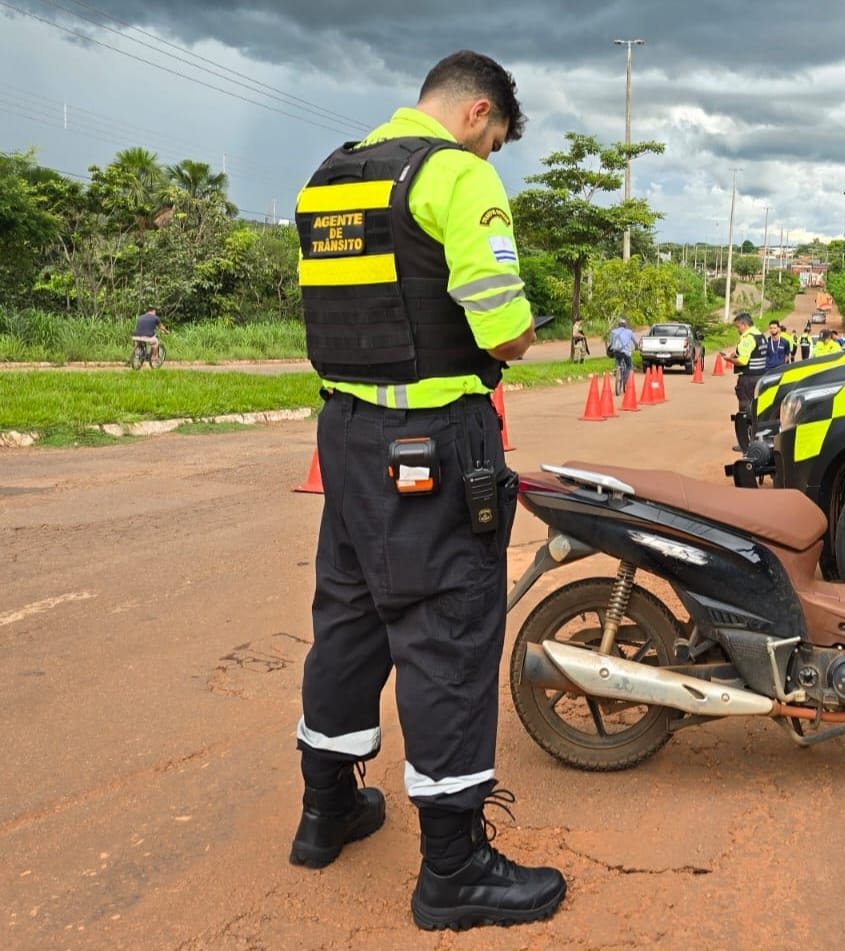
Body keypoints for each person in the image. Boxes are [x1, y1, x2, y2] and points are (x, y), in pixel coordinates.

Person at [290, 50, 565, 932]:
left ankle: (327, 807)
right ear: (477, 111)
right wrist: (523, 328)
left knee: (350, 615)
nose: (489, 159)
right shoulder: (451, 177)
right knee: (447, 628)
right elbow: (506, 330)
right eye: (492, 143)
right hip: (432, 443)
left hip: (345, 433)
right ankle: (453, 867)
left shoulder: (328, 178)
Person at [725, 311, 768, 418]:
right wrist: (737, 353)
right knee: (757, 406)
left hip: (748, 379)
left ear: (744, 325)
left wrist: (729, 359)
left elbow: (742, 361)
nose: (738, 330)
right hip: (760, 377)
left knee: (746, 407)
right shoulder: (761, 336)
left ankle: (746, 431)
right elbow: (755, 353)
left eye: (738, 327)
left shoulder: (748, 338)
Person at [607, 317, 639, 394]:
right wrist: (637, 347)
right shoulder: (629, 332)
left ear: (618, 325)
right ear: (625, 325)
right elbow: (635, 342)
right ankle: (625, 378)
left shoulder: (613, 332)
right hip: (626, 352)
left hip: (616, 351)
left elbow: (611, 342)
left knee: (617, 359)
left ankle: (617, 369)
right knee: (629, 365)